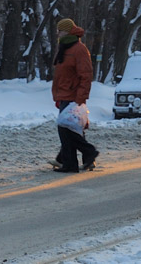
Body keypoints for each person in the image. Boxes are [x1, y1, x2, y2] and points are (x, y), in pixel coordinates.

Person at [51, 18, 98, 172]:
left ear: (68, 31)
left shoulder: (79, 49)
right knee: (70, 130)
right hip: (64, 94)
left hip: (73, 96)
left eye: (60, 30)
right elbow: (61, 74)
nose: (58, 33)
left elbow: (86, 75)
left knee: (66, 129)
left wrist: (80, 97)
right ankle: (71, 162)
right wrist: (58, 95)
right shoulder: (64, 47)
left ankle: (87, 153)